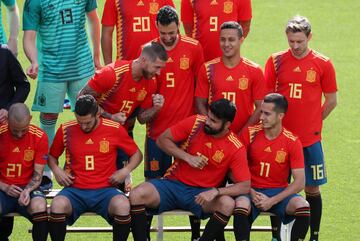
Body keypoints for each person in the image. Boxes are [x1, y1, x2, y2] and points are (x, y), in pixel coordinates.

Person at [130, 98, 251, 241]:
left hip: (202, 194)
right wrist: (188, 157)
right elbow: (162, 140)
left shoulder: (236, 147)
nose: (207, 122)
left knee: (227, 204)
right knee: (137, 194)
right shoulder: (196, 122)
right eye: (208, 117)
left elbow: (245, 186)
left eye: (213, 121)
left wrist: (217, 191)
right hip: (173, 185)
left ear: (227, 125)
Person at [264, 16, 338, 241]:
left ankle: (314, 237)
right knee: (277, 188)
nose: (295, 47)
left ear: (309, 37)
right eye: (291, 42)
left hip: (309, 140)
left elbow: (332, 100)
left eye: (299, 42)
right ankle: (277, 236)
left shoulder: (323, 63)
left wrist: (315, 122)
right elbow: (266, 99)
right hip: (280, 139)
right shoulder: (276, 61)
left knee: (312, 189)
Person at [137, 6, 204, 240]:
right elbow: (143, 94)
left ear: (178, 28)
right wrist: (153, 104)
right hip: (157, 133)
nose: (167, 38)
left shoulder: (194, 48)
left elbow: (200, 89)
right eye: (163, 33)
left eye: (172, 33)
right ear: (157, 27)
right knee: (152, 187)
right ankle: (145, 236)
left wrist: (199, 123)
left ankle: (196, 235)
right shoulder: (148, 51)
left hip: (187, 134)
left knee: (192, 186)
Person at [22, 0, 101, 188]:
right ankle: (46, 172)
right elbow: (29, 37)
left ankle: (91, 168)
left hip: (82, 66)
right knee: (49, 116)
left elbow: (93, 20)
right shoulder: (34, 2)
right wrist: (33, 61)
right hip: (50, 69)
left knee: (90, 115)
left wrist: (96, 56)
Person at [48, 95, 142, 241]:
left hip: (106, 190)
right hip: (74, 190)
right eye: (80, 122)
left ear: (97, 114)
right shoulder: (66, 129)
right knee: (57, 205)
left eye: (87, 122)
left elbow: (137, 154)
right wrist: (57, 170)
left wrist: (125, 170)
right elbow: (51, 156)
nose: (83, 126)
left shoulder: (114, 129)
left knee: (123, 205)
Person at [79, 41, 167, 192]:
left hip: (121, 137)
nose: (158, 73)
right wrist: (110, 116)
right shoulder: (111, 74)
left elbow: (141, 118)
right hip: (97, 135)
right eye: (157, 67)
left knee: (120, 189)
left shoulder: (150, 83)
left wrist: (156, 108)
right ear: (144, 60)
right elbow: (82, 97)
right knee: (92, 186)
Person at [234, 93, 310, 241]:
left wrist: (272, 200)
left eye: (267, 113)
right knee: (241, 206)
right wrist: (250, 190)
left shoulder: (292, 141)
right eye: (261, 111)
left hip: (279, 192)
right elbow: (232, 169)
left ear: (280, 116)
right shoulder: (249, 134)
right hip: (251, 190)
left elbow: (300, 182)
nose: (261, 117)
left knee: (303, 206)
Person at [195, 21, 265, 135]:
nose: (226, 44)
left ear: (241, 40)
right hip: (215, 137)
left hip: (243, 139)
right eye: (223, 39)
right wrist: (212, 126)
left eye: (231, 39)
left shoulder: (255, 70)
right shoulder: (207, 68)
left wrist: (243, 134)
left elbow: (260, 107)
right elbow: (199, 103)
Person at [0, 103, 49, 241]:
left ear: (30, 119)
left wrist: (27, 191)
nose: (20, 134)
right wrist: (5, 187)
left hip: (28, 187)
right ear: (7, 120)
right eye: (15, 130)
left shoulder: (39, 137)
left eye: (23, 130)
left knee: (39, 207)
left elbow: (38, 175)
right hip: (2, 187)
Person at [0, 45, 30, 241]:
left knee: (6, 171)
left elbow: (23, 85)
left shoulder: (5, 55)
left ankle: (4, 234)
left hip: (6, 127)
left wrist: (8, 109)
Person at [101, 0, 175, 64]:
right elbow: (107, 33)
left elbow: (174, 29)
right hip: (126, 65)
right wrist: (108, 66)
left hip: (157, 63)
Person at [181, 0, 252, 61]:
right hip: (200, 59)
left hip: (228, 60)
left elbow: (245, 26)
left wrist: (230, 46)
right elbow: (188, 28)